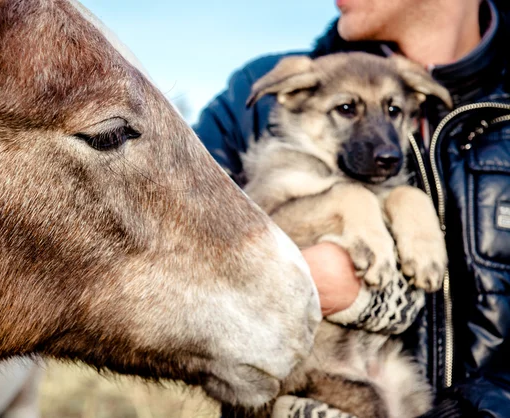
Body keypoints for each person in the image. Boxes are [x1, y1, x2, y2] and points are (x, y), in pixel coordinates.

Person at [194, 0, 510, 416]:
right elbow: (162, 259)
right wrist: (296, 282)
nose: (382, 143)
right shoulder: (251, 103)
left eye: (393, 112)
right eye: (347, 109)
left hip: (409, 392)